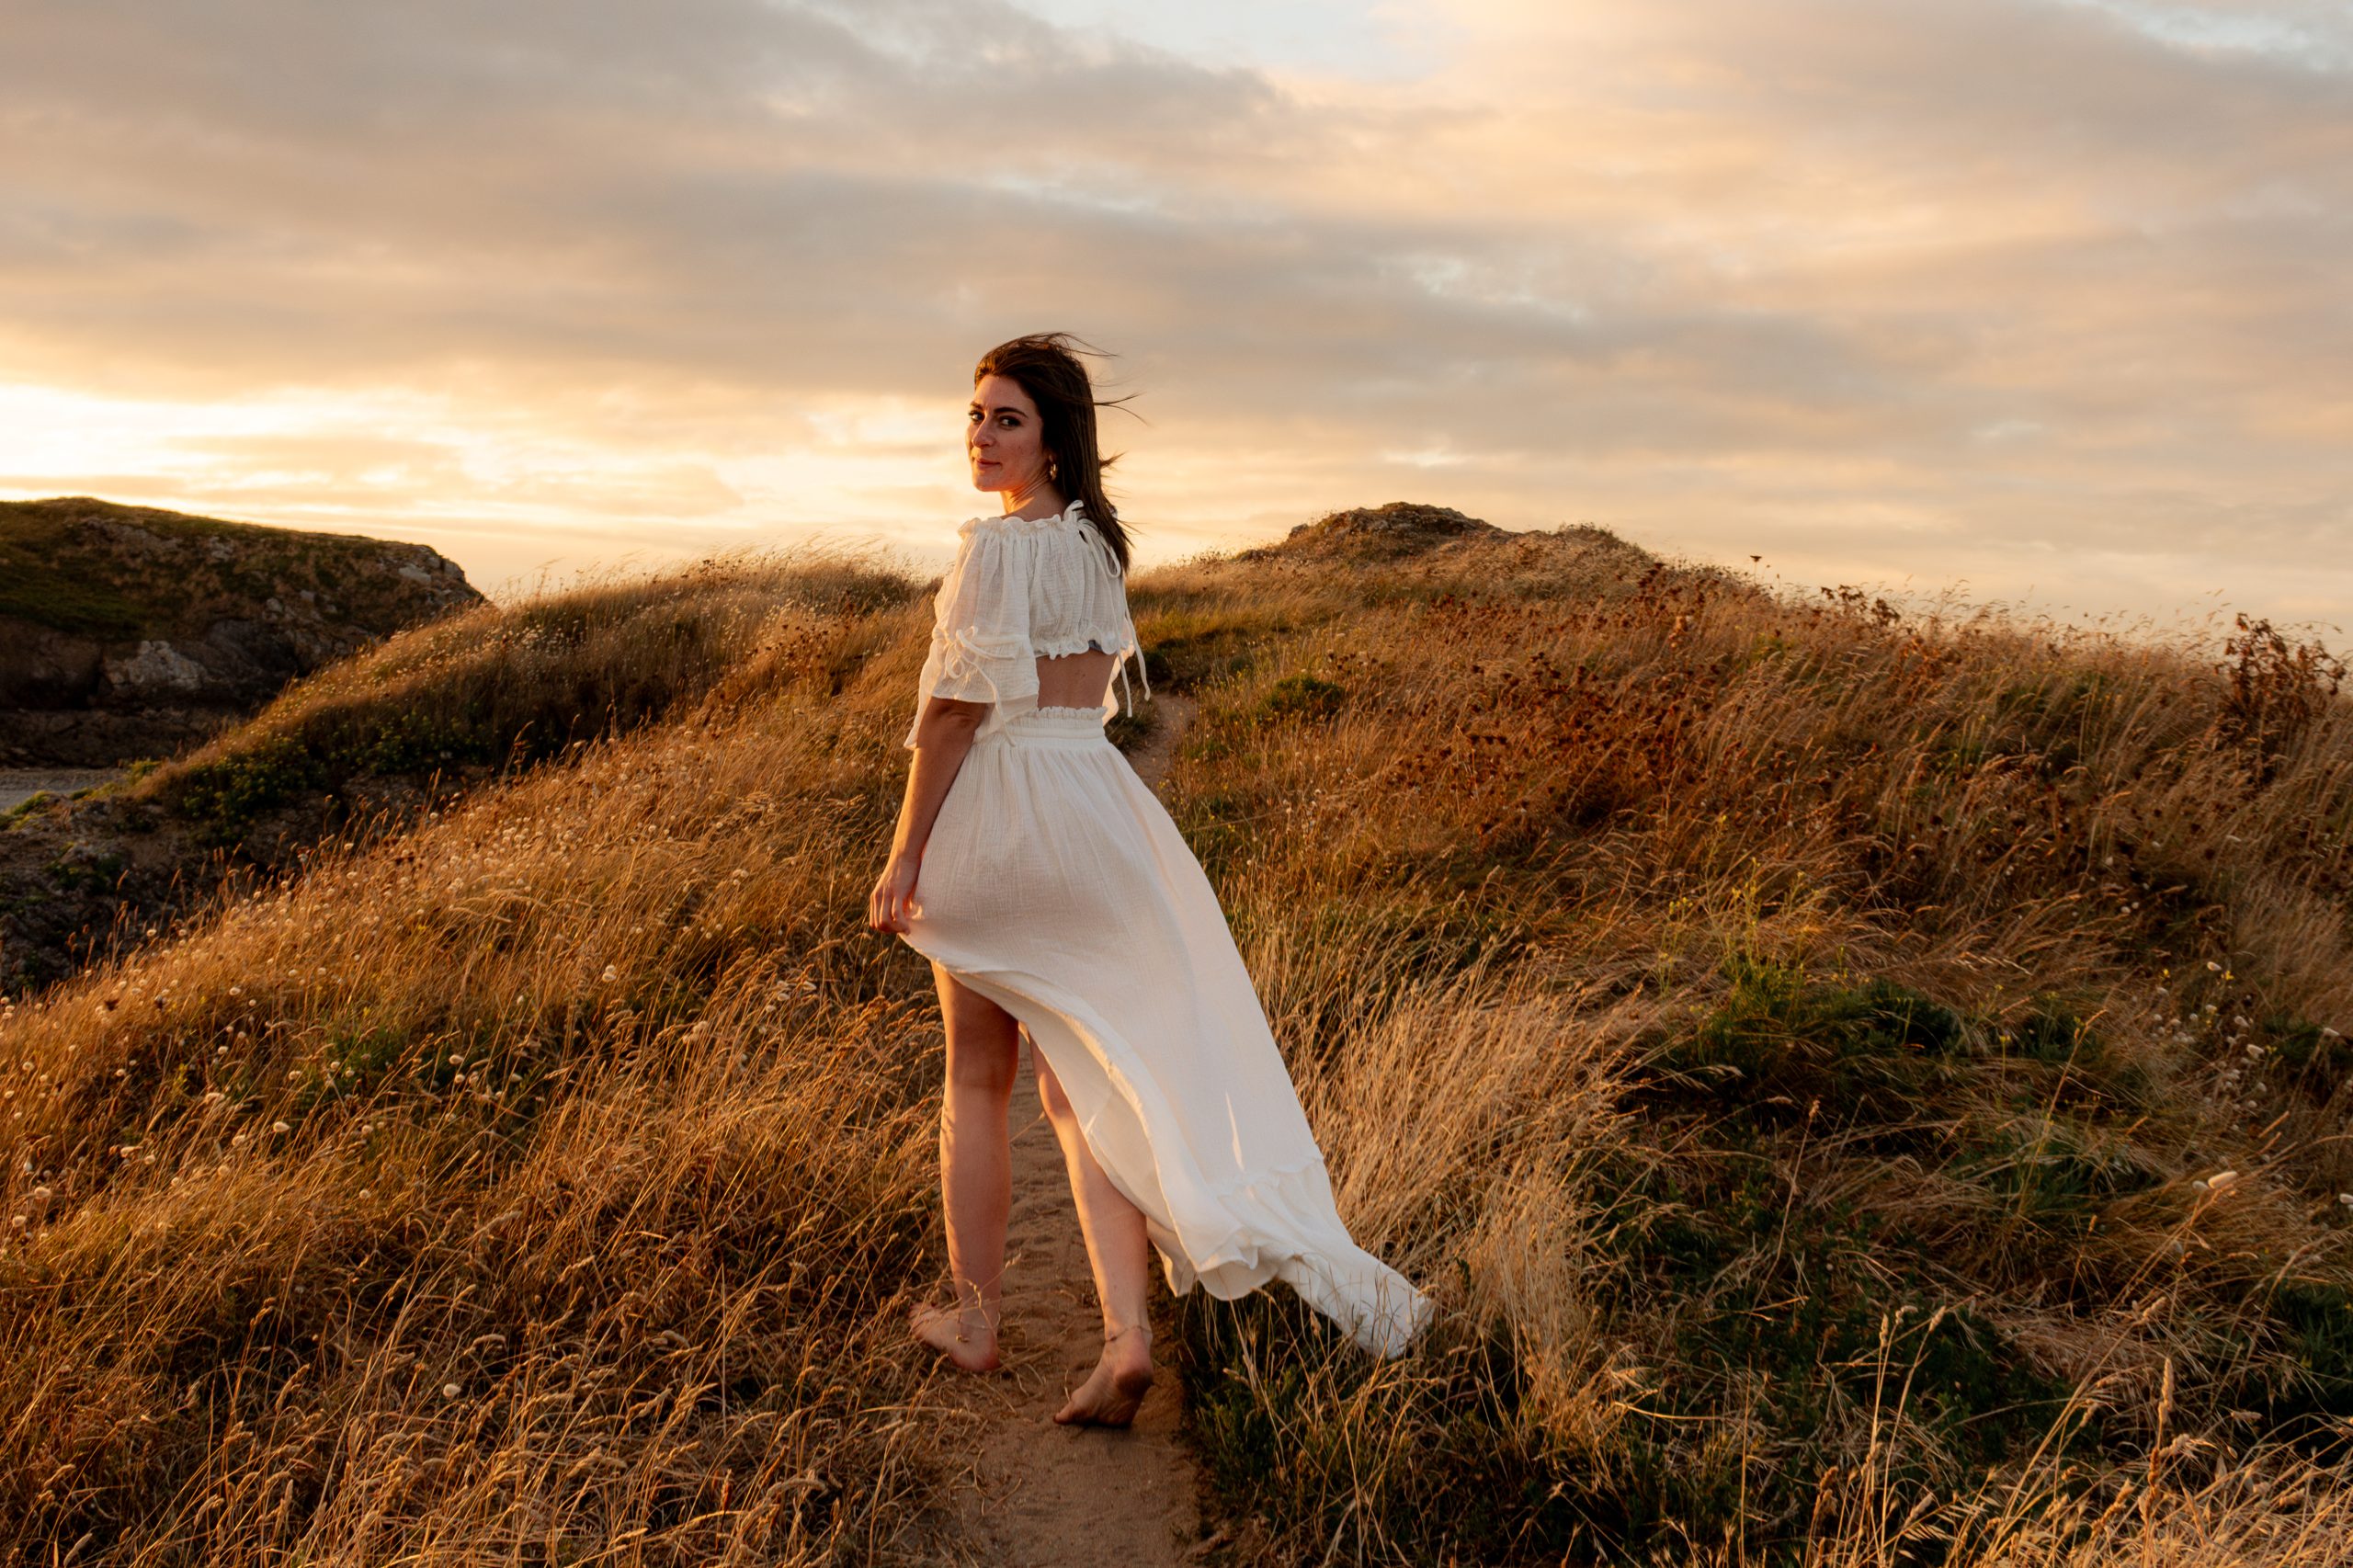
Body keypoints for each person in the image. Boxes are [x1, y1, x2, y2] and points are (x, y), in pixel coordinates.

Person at [866, 332, 1432, 1427]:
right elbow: (1088, 696)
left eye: (1006, 419)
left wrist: (904, 854)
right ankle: (1124, 1337)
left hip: (1002, 811)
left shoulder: (995, 549)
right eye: (974, 418)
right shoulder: (1096, 547)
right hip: (1099, 815)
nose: (981, 437)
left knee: (977, 1076)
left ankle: (975, 1318)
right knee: (1082, 1086)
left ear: (1053, 436)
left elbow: (950, 716)